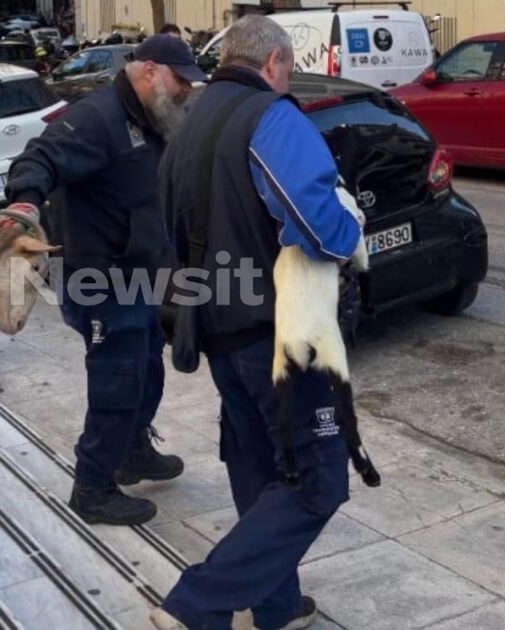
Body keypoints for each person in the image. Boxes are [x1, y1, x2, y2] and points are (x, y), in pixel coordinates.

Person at [151, 15, 364, 630]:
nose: (287, 80)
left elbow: (175, 237)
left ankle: (275, 606)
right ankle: (197, 605)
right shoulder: (270, 117)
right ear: (273, 63)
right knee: (316, 482)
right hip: (280, 335)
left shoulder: (185, 130)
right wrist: (352, 232)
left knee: (261, 469)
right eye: (288, 70)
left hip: (220, 334)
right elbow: (318, 222)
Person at [0, 36, 207, 526]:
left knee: (147, 369)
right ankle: (92, 487)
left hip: (136, 274)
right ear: (151, 70)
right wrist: (25, 201)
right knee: (116, 379)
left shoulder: (149, 116)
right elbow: (39, 158)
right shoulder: (97, 118)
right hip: (97, 278)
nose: (185, 90)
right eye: (180, 80)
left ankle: (132, 450)